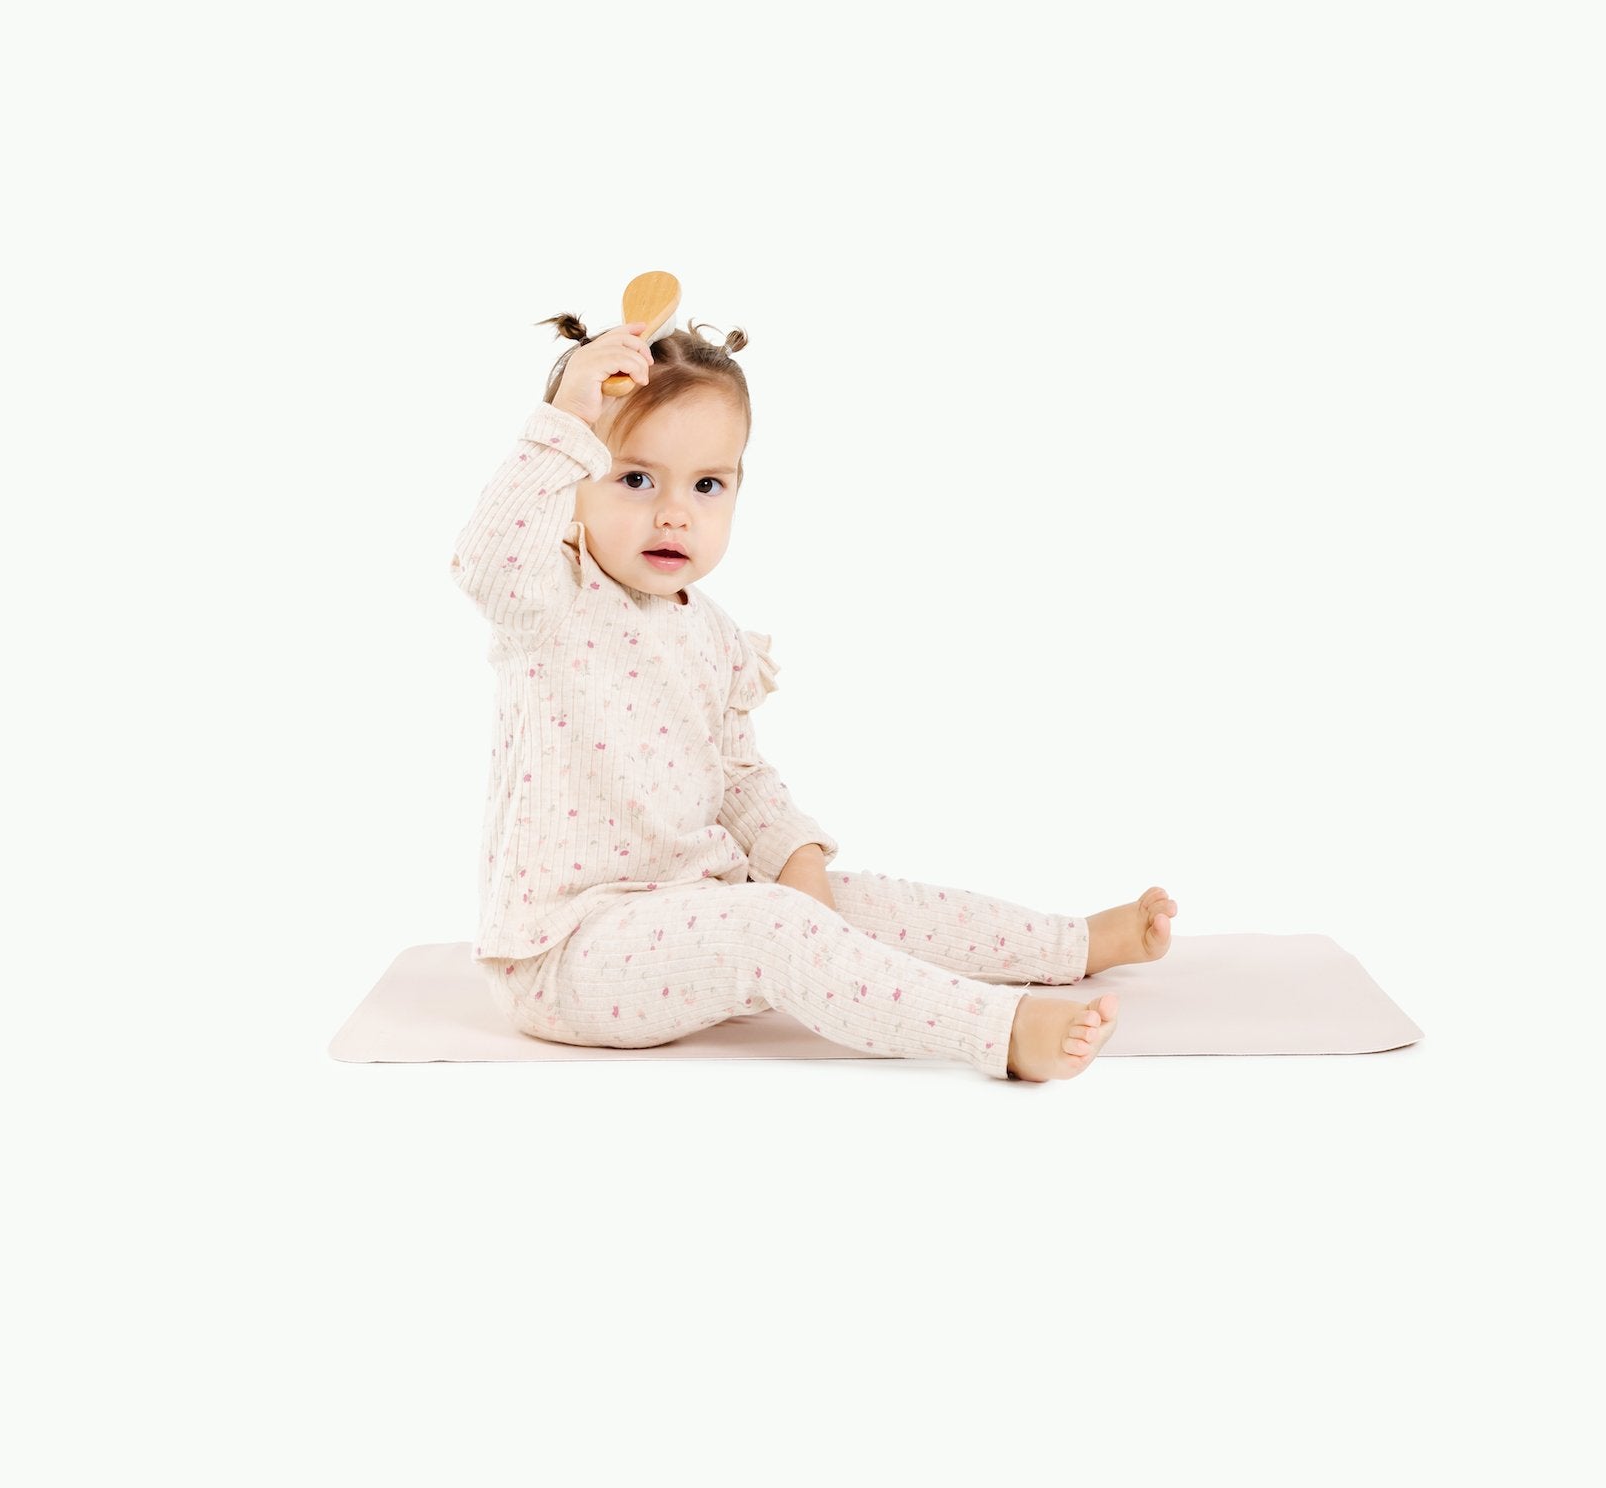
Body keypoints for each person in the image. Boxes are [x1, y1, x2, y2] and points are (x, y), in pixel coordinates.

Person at [448, 310, 1178, 1080]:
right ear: (571, 480)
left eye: (707, 485)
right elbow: (484, 557)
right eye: (635, 479)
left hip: (694, 904)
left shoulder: (714, 636)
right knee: (770, 926)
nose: (674, 512)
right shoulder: (549, 599)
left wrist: (801, 870)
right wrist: (567, 417)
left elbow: (738, 778)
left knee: (863, 903)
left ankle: (1073, 943)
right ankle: (1000, 1031)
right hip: (569, 952)